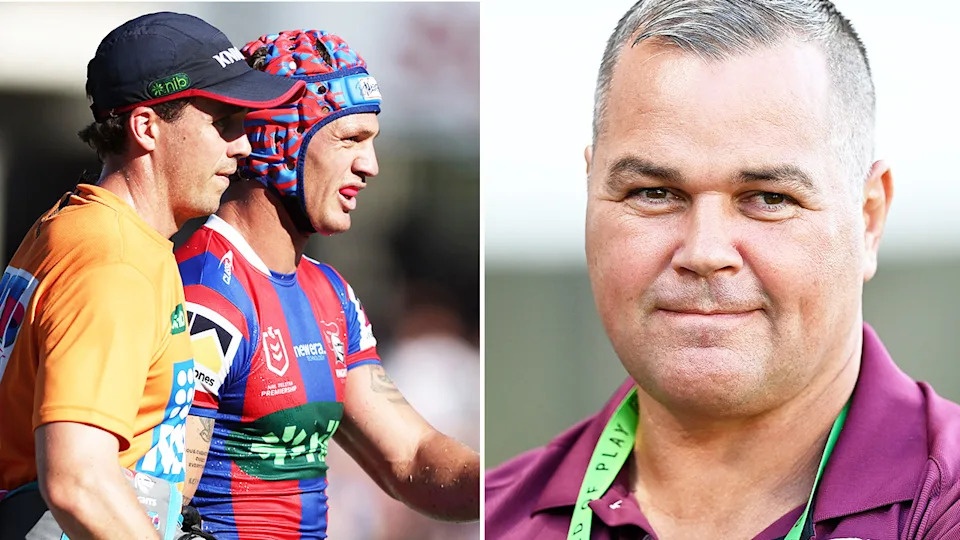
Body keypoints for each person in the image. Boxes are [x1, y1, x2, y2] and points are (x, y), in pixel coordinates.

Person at [485, 1, 960, 539]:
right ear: (590, 195)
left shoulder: (942, 508)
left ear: (869, 218)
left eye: (768, 197)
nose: (704, 251)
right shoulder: (493, 517)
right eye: (654, 193)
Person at [0, 11, 302, 539]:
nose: (244, 146)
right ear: (146, 128)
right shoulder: (114, 262)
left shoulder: (88, 225)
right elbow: (78, 481)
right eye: (223, 123)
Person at [174, 29, 480, 539]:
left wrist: (512, 481)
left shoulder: (330, 293)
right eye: (350, 140)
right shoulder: (208, 292)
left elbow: (410, 457)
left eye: (373, 141)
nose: (370, 166)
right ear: (275, 138)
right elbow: (158, 499)